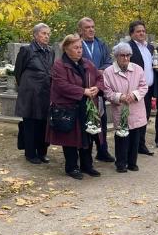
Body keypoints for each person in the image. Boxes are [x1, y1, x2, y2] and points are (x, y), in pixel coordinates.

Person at [47, 34, 104, 180]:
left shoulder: (87, 63)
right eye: (76, 48)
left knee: (88, 135)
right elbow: (61, 86)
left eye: (80, 47)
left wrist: (97, 88)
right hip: (69, 108)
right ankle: (71, 167)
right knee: (70, 139)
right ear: (66, 49)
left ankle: (87, 165)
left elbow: (99, 78)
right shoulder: (59, 65)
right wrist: (83, 91)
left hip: (86, 106)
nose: (79, 51)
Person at [103, 43, 148, 172]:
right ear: (116, 56)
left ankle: (132, 162)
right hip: (120, 108)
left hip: (135, 108)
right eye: (122, 55)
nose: (126, 58)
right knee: (122, 137)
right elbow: (107, 91)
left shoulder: (137, 69)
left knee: (134, 137)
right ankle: (121, 163)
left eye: (128, 55)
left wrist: (134, 95)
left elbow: (143, 86)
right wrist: (120, 97)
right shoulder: (109, 72)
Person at [14, 23, 55, 164]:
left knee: (44, 124)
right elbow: (18, 71)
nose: (46, 36)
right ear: (35, 35)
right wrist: (27, 85)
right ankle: (30, 153)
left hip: (45, 92)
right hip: (30, 93)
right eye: (43, 33)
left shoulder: (50, 51)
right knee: (30, 124)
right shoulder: (26, 50)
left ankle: (42, 152)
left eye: (48, 34)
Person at [78, 17, 115, 163]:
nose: (91, 29)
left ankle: (102, 150)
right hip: (83, 89)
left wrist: (100, 70)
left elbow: (108, 61)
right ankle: (85, 155)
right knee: (85, 122)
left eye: (93, 26)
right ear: (80, 30)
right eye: (87, 27)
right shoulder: (77, 44)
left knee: (101, 120)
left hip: (98, 89)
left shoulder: (101, 44)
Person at [127, 20, 156, 156]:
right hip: (135, 89)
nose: (141, 33)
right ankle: (132, 146)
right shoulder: (128, 48)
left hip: (148, 89)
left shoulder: (149, 48)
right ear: (132, 33)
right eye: (138, 31)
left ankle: (141, 144)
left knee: (145, 117)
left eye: (143, 31)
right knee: (134, 118)